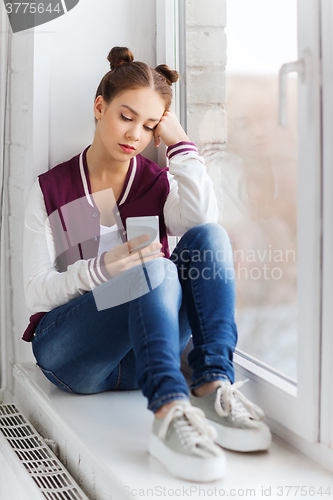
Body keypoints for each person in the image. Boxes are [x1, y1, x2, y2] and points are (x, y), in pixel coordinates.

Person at [22, 46, 271, 483]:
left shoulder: (156, 183)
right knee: (153, 268)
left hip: (145, 358)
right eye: (126, 116)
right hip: (75, 355)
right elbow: (37, 290)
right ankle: (169, 408)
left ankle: (213, 386)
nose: (135, 134)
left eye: (149, 125)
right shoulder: (53, 189)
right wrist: (104, 269)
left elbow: (201, 223)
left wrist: (181, 145)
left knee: (208, 239)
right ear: (100, 107)